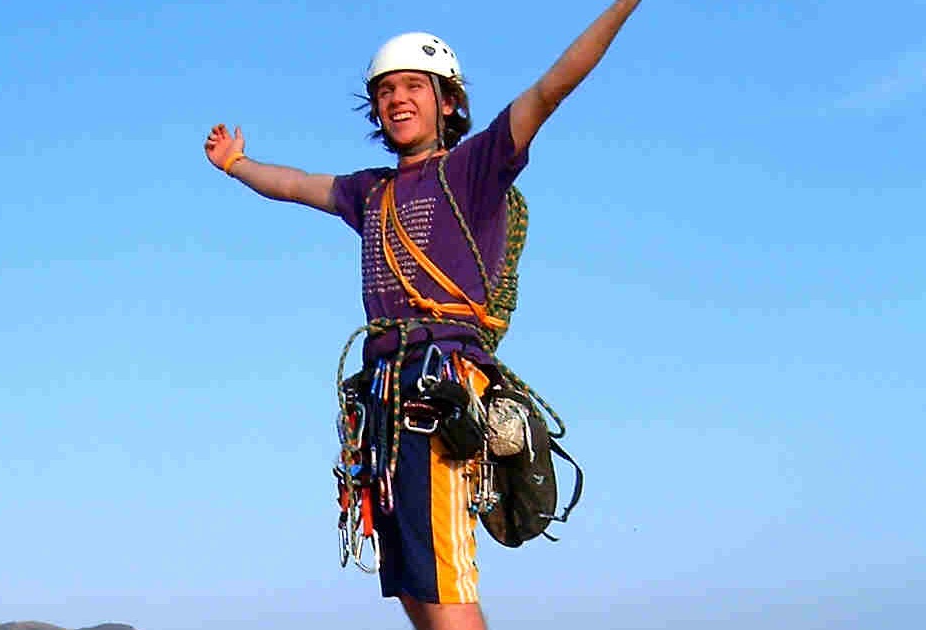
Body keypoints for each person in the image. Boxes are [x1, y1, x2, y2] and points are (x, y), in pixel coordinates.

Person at [203, 2, 642, 628]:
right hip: (383, 396)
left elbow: (553, 86)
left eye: (413, 86)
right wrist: (237, 166)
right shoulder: (369, 191)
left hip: (441, 387)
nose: (397, 99)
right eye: (385, 90)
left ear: (447, 102)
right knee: (415, 582)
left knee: (444, 579)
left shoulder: (476, 168)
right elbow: (297, 184)